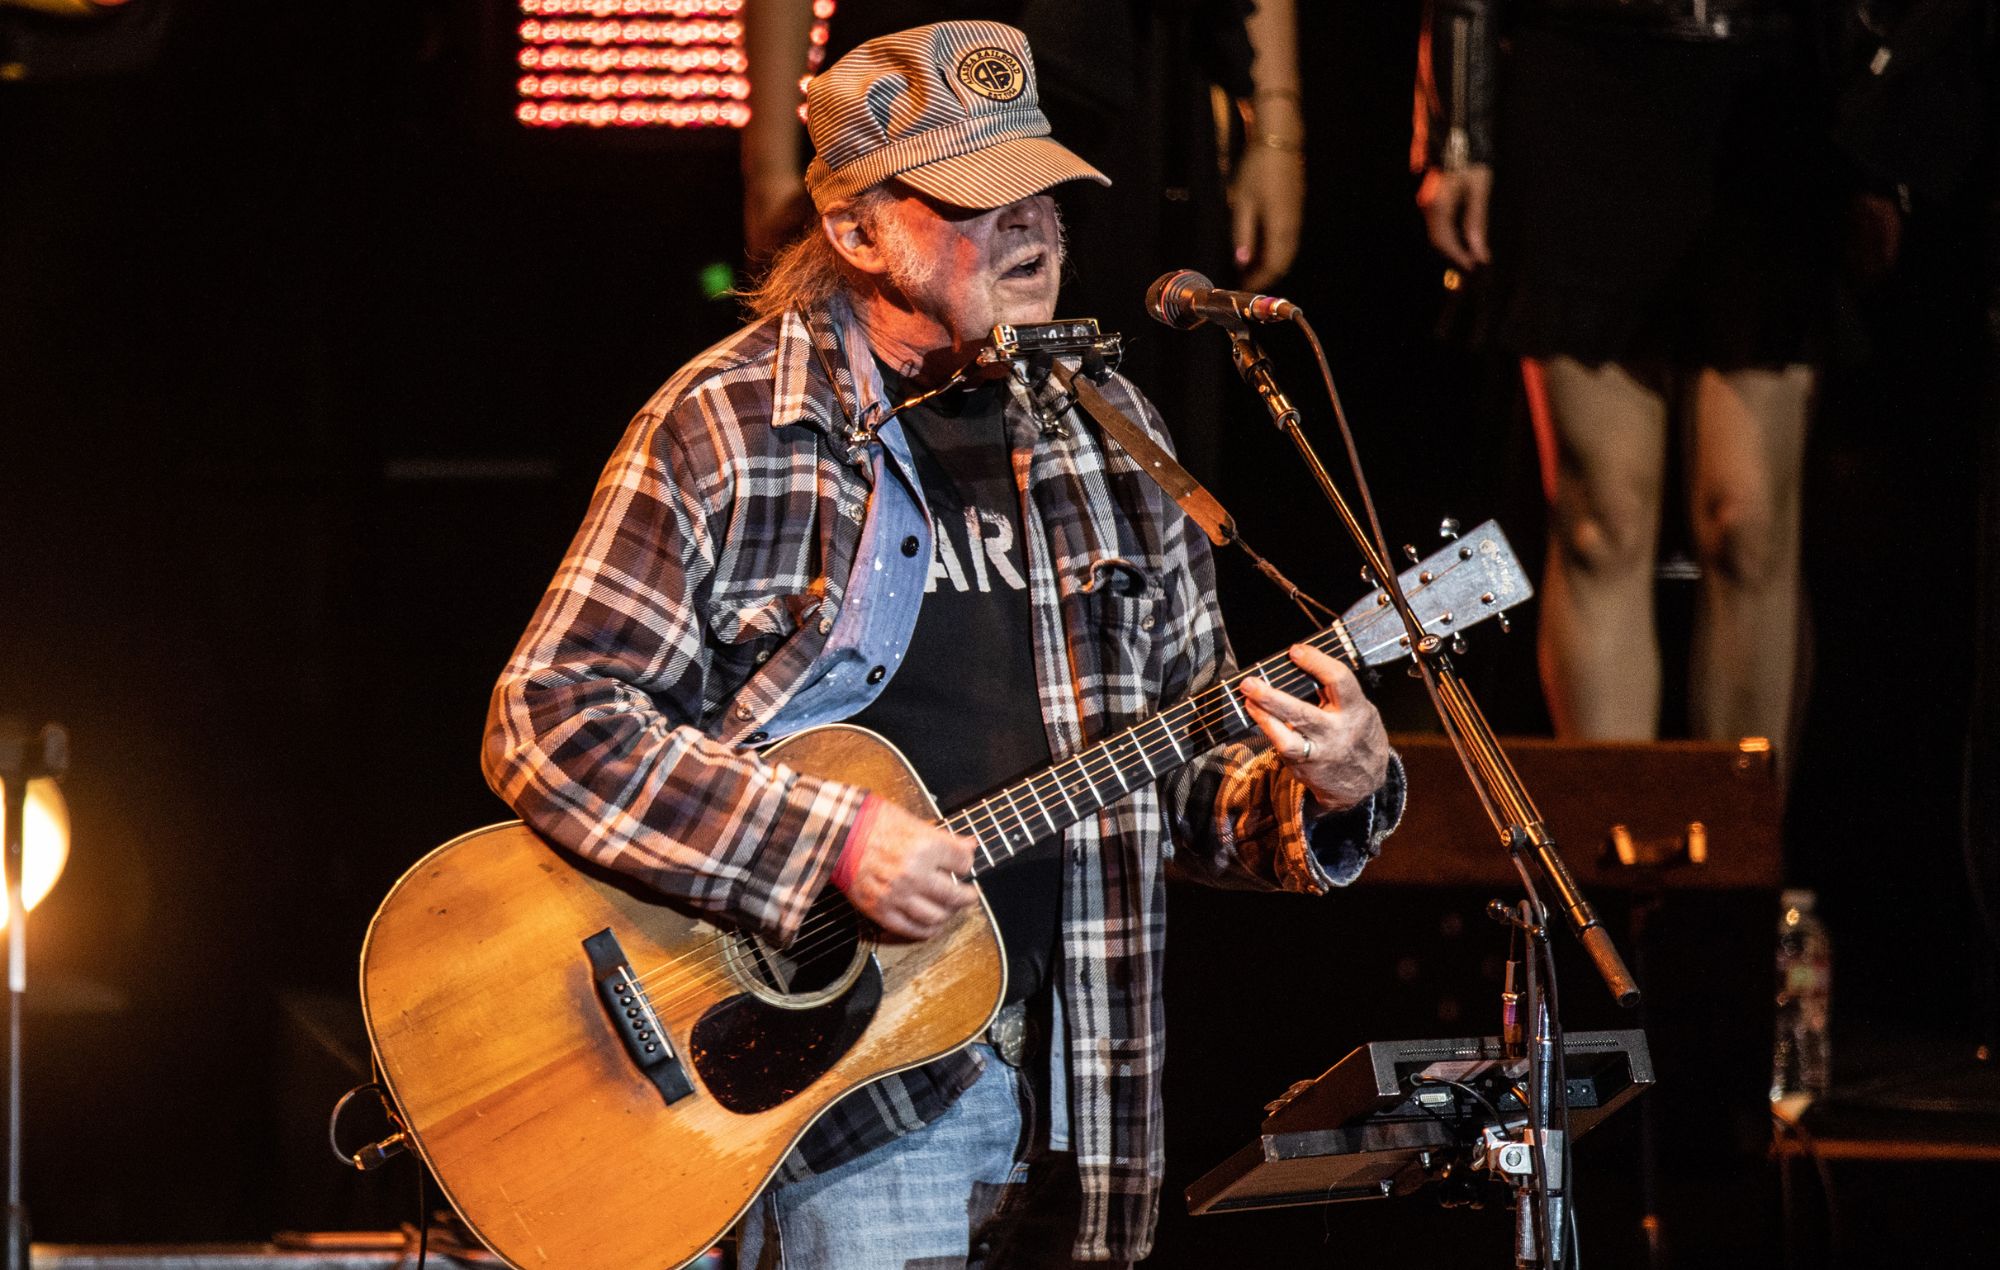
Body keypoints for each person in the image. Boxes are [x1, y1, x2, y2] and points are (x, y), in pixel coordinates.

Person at [484, 21, 1401, 1268]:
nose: (1031, 229)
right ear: (859, 230)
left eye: (1045, 197)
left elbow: (1189, 797)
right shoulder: (729, 425)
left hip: (1081, 1094)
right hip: (831, 1102)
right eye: (981, 201)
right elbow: (553, 718)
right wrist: (832, 842)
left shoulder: (1114, 438)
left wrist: (1331, 785)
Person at [1414, 0, 1826, 752]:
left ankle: (1740, 855)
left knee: (1749, 520)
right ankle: (1613, 847)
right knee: (1601, 519)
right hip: (1583, 64)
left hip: (1772, 82)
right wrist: (1459, 128)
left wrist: (1883, 142)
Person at [740, 0, 1307, 486]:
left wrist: (1276, 123)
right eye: (990, 194)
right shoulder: (729, 429)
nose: (1025, 214)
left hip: (1132, 81)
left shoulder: (1134, 418)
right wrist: (767, 165)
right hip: (907, 76)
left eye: (1040, 190)